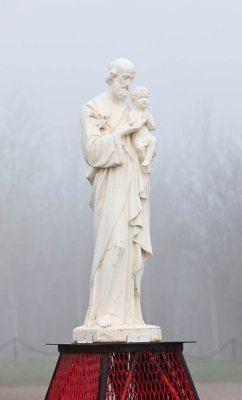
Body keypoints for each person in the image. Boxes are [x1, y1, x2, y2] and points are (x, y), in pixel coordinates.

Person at [80, 58, 153, 329]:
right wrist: (123, 132)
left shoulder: (133, 110)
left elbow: (142, 144)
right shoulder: (92, 109)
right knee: (114, 243)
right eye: (124, 79)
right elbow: (93, 152)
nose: (128, 85)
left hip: (132, 183)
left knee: (131, 247)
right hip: (110, 185)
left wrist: (146, 148)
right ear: (111, 77)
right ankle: (106, 312)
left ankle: (129, 312)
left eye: (131, 79)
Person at [129, 86, 157, 166]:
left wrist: (148, 120)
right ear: (134, 100)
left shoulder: (148, 114)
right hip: (138, 138)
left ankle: (147, 161)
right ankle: (143, 164)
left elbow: (152, 127)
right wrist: (144, 120)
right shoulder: (132, 113)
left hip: (147, 136)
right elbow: (134, 126)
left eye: (146, 97)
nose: (144, 100)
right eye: (140, 97)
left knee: (153, 140)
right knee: (140, 149)